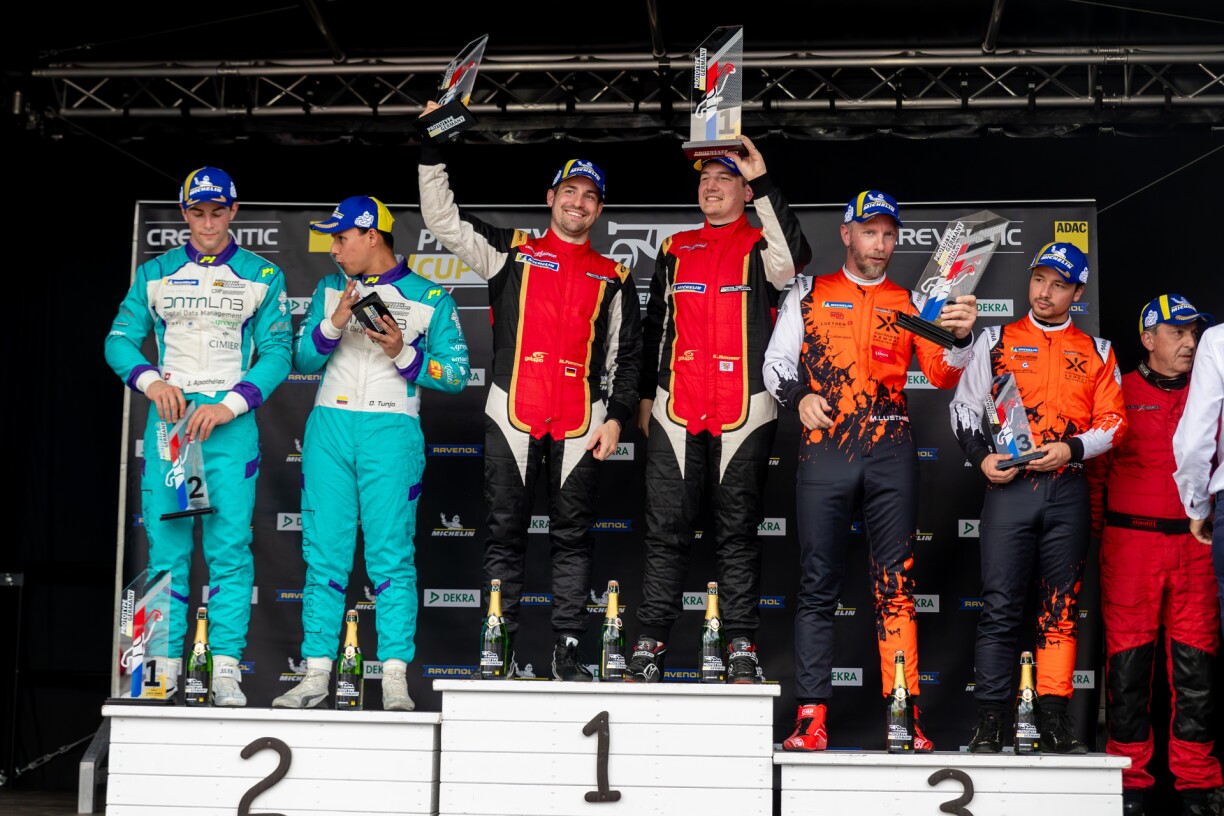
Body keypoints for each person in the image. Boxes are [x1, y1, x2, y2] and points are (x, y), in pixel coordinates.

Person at [417, 101, 642, 680]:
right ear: (551, 198)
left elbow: (627, 359)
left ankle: (568, 650)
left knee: (573, 539)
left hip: (580, 422)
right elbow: (441, 220)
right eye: (569, 192)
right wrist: (432, 147)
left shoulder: (615, 276)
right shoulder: (511, 251)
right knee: (504, 535)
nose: (577, 203)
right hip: (512, 414)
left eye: (589, 196)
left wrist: (616, 418)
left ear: (599, 209)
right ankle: (498, 646)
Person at [765, 191, 978, 751]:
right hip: (826, 448)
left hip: (891, 449)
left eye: (888, 234)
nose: (879, 244)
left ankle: (903, 716)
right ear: (847, 234)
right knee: (817, 584)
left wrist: (959, 338)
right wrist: (798, 397)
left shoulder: (912, 301)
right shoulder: (809, 292)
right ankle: (811, 717)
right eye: (869, 232)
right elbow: (776, 362)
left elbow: (943, 373)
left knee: (896, 587)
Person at [624, 139, 811, 684]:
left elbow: (793, 258)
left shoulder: (761, 245)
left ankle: (740, 647)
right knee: (665, 530)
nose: (711, 186)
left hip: (744, 411)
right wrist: (645, 397)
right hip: (676, 408)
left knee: (737, 534)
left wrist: (764, 179)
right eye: (705, 178)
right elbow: (654, 328)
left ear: (745, 192)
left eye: (724, 178)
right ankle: (650, 642)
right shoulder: (675, 247)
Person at [105, 166, 293, 706]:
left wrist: (230, 405)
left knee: (229, 549)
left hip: (228, 425)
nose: (208, 224)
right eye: (197, 213)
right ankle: (157, 674)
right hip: (171, 424)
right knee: (167, 551)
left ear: (234, 211)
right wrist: (152, 381)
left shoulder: (263, 274)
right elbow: (118, 340)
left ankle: (224, 669)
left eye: (217, 212)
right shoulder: (156, 272)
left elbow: (278, 352)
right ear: (185, 213)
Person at [272, 196, 469, 711]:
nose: (334, 249)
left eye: (341, 238)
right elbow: (301, 359)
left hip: (391, 431)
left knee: (391, 556)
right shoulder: (328, 288)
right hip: (330, 430)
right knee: (324, 554)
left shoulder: (429, 296)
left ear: (371, 235)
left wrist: (403, 351)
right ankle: (316, 673)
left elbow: (455, 374)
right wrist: (332, 324)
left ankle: (395, 676)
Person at [950, 241, 1126, 754]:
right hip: (1011, 487)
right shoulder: (996, 339)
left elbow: (1115, 423)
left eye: (1059, 284)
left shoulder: (1098, 351)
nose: (1045, 292)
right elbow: (964, 407)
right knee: (1000, 608)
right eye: (1039, 279)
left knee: (1060, 610)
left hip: (1067, 488)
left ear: (1078, 292)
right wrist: (981, 457)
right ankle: (990, 721)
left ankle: (1053, 720)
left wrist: (1072, 448)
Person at [1091, 294, 1222, 815]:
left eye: (1194, 333)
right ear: (1148, 339)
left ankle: (1198, 784)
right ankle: (1129, 782)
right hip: (1130, 546)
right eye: (1177, 332)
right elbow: (1096, 473)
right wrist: (1094, 538)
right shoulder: (1117, 390)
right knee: (1128, 671)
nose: (1190, 343)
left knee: (1196, 672)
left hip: (1197, 545)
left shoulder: (1212, 391)